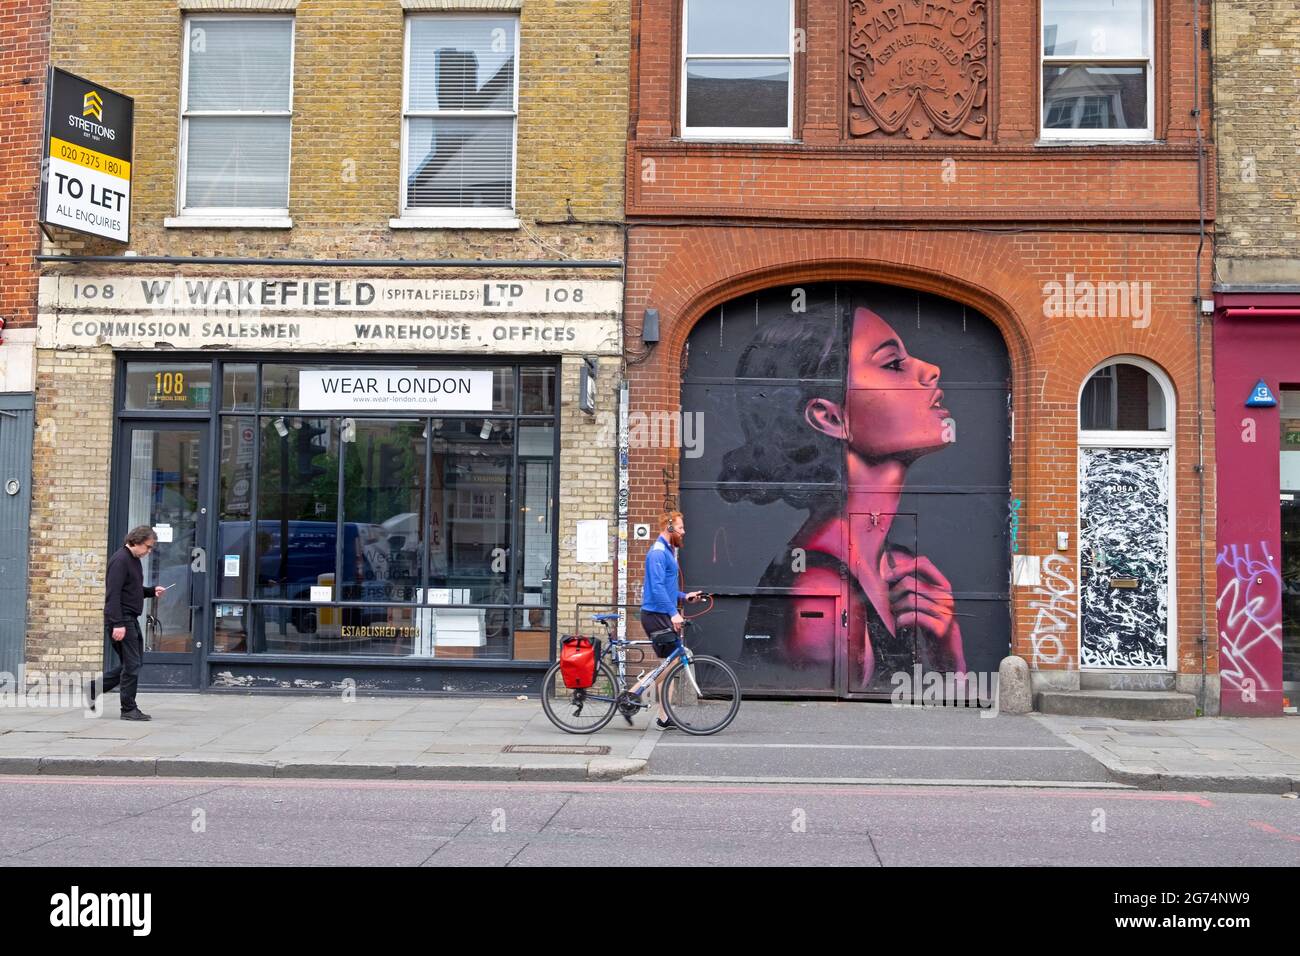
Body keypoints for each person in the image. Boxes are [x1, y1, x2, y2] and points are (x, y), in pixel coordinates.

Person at [720, 304, 967, 694]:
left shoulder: (896, 567)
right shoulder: (818, 595)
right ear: (830, 417)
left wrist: (946, 647)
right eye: (892, 364)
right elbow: (816, 730)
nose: (929, 369)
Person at [90, 526, 166, 720]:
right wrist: (117, 624)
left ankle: (93, 689)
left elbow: (131, 589)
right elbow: (113, 595)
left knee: (132, 663)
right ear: (136, 541)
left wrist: (150, 591)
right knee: (132, 665)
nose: (149, 551)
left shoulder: (133, 560)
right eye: (147, 547)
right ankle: (128, 709)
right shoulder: (120, 561)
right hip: (121, 619)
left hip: (128, 618)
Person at [637, 511, 702, 728]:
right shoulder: (658, 553)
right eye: (681, 528)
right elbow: (655, 589)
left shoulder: (667, 551)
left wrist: (685, 596)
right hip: (655, 615)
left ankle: (664, 716)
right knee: (670, 663)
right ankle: (633, 694)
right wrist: (673, 613)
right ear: (670, 527)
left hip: (661, 613)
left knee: (669, 663)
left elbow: (666, 588)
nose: (684, 532)